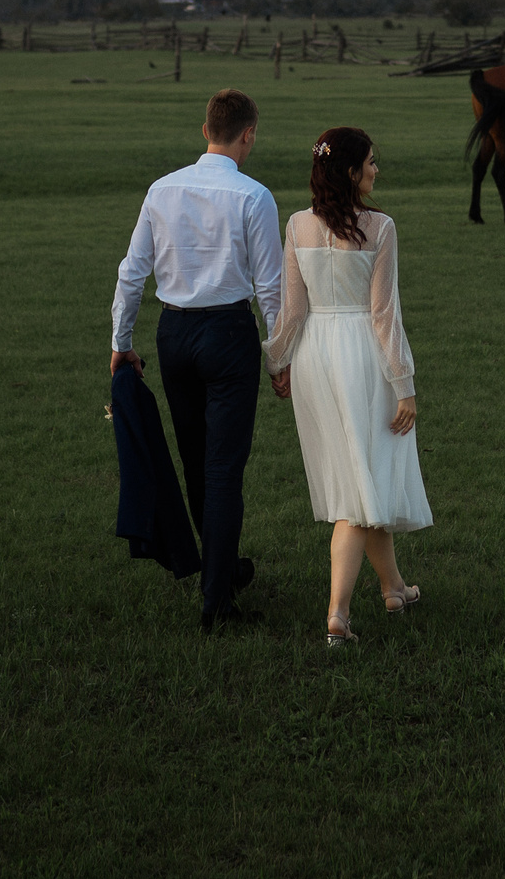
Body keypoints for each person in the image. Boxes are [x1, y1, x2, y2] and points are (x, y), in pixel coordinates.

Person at [111, 88, 284, 631]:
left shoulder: (161, 189)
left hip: (173, 334)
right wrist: (279, 359)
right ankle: (217, 602)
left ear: (206, 129)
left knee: (196, 461)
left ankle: (223, 570)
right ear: (248, 134)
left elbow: (132, 272)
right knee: (223, 470)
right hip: (228, 334)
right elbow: (271, 289)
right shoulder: (254, 196)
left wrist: (121, 341)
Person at [265, 126, 430, 647]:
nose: (377, 170)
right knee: (356, 490)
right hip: (362, 357)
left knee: (363, 474)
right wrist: (404, 382)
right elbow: (384, 315)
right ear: (352, 172)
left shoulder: (297, 224)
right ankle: (337, 613)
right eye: (371, 162)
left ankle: (394, 587)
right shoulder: (380, 228)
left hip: (315, 357)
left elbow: (293, 311)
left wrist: (277, 361)